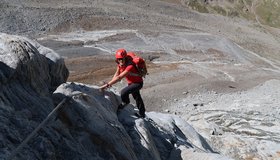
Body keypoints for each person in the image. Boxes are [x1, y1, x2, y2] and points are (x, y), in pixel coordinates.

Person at [100, 48, 146, 118]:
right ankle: (142, 113)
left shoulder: (130, 66)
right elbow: (117, 74)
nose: (120, 60)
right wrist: (110, 83)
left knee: (123, 92)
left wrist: (108, 84)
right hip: (132, 83)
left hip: (138, 83)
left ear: (125, 58)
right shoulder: (120, 64)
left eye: (122, 59)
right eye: (119, 59)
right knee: (137, 97)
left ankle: (126, 102)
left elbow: (119, 77)